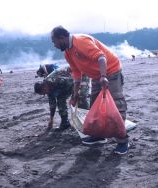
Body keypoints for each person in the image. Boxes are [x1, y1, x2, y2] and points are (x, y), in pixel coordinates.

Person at [51, 26, 129, 155]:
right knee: (95, 108)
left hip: (111, 71)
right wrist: (75, 94)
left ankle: (123, 141)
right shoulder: (67, 52)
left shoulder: (81, 41)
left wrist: (104, 76)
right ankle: (99, 135)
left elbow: (101, 57)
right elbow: (76, 73)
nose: (54, 45)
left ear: (62, 38)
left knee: (116, 105)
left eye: (54, 42)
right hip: (97, 76)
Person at [34, 67, 73, 131]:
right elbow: (52, 105)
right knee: (60, 102)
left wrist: (73, 97)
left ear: (44, 87)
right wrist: (51, 119)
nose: (44, 94)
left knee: (81, 100)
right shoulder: (48, 90)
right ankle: (65, 123)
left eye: (43, 92)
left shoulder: (54, 80)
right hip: (63, 88)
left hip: (74, 76)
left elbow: (71, 82)